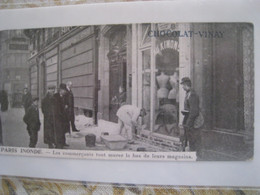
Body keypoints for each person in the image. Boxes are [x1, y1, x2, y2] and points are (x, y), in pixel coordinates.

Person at [180, 77, 201, 155]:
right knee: (188, 140)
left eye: (182, 85)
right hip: (188, 120)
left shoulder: (192, 94)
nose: (182, 87)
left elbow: (194, 111)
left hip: (191, 123)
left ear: (186, 85)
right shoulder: (188, 93)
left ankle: (193, 156)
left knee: (192, 141)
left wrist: (188, 123)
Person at [52, 83, 69, 149]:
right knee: (58, 131)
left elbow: (67, 104)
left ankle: (62, 143)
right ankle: (58, 144)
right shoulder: (55, 96)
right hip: (57, 117)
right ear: (60, 90)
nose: (65, 91)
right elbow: (56, 108)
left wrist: (66, 106)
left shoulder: (64, 96)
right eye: (64, 90)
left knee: (63, 130)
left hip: (63, 117)